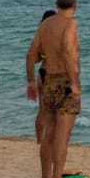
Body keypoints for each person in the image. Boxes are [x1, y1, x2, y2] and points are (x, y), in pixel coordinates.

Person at [25, 0, 81, 178]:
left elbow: (31, 54)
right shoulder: (71, 24)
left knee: (49, 133)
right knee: (62, 135)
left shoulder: (46, 24)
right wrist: (74, 82)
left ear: (57, 4)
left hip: (48, 81)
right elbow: (67, 49)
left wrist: (31, 81)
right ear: (75, 5)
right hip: (66, 82)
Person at [33, 9, 55, 145]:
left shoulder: (40, 36)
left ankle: (39, 141)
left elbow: (35, 59)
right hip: (52, 75)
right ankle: (49, 142)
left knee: (41, 111)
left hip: (41, 73)